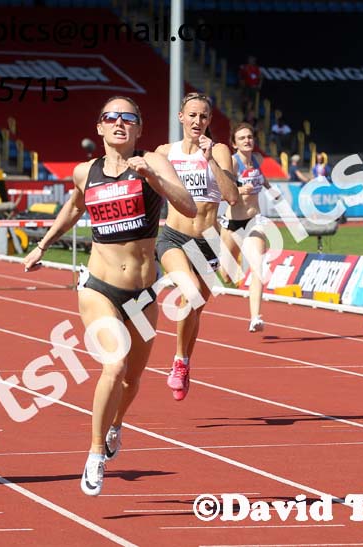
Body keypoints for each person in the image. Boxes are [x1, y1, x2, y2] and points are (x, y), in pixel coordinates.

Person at [23, 96, 196, 496]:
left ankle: (116, 425)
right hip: (98, 287)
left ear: (139, 128)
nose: (119, 123)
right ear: (99, 128)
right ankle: (95, 453)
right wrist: (43, 246)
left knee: (132, 381)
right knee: (114, 367)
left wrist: (153, 178)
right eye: (111, 118)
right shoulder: (86, 171)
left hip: (144, 292)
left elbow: (185, 205)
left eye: (128, 118)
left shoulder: (154, 162)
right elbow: (72, 209)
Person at [155, 92, 238, 401]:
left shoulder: (219, 150)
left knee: (195, 309)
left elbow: (232, 196)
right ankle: (178, 360)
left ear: (209, 121)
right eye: (192, 115)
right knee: (187, 293)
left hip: (208, 242)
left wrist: (211, 160)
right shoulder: (165, 151)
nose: (197, 121)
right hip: (174, 236)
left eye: (203, 116)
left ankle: (185, 362)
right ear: (181, 117)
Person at [219, 122, 273, 332]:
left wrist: (270, 189)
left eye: (249, 137)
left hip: (254, 221)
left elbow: (262, 177)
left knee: (258, 267)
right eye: (242, 138)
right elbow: (225, 189)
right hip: (232, 224)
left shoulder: (256, 160)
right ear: (234, 143)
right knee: (227, 276)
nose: (247, 141)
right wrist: (241, 190)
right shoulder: (233, 163)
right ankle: (230, 273)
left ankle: (255, 317)